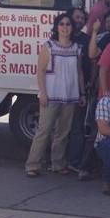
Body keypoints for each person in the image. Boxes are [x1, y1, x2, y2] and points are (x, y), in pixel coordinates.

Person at [25, 13, 86, 177]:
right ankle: (32, 165)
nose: (65, 27)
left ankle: (58, 164)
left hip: (70, 96)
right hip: (51, 95)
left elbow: (79, 72)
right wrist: (42, 92)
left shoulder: (76, 48)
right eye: (62, 24)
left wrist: (82, 93)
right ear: (56, 27)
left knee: (63, 133)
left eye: (68, 24)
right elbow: (41, 71)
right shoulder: (49, 46)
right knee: (44, 131)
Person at [65, 6, 92, 173]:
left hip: (80, 88)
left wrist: (86, 86)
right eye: (77, 17)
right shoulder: (60, 37)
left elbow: (89, 65)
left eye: (82, 18)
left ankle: (73, 162)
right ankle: (57, 161)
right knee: (59, 128)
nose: (79, 20)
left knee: (76, 128)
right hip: (60, 89)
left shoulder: (86, 39)